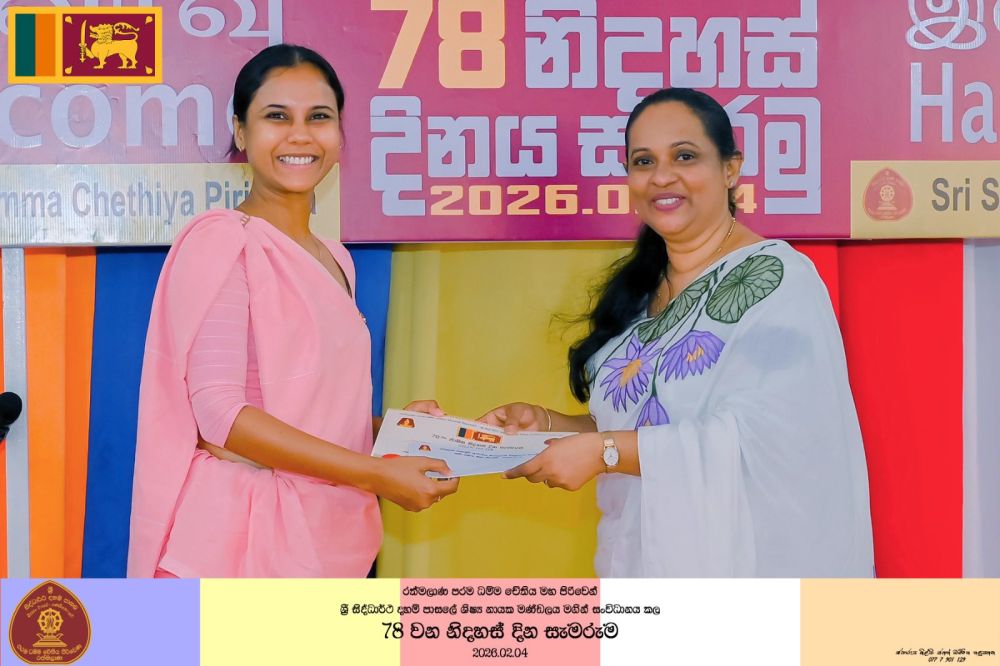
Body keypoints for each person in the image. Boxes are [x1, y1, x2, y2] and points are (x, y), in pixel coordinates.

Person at [482, 88, 874, 577]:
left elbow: (768, 443)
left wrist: (603, 453)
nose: (662, 176)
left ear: (730, 169)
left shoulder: (778, 279)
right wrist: (548, 425)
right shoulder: (639, 295)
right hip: (638, 570)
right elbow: (643, 426)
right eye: (643, 161)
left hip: (745, 583)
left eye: (684, 156)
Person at [127, 44, 457, 578]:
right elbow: (221, 414)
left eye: (319, 117)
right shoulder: (223, 241)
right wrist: (374, 474)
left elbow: (313, 416)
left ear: (340, 135)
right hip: (236, 546)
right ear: (241, 132)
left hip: (326, 540)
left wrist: (393, 432)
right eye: (277, 116)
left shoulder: (337, 258)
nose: (300, 135)